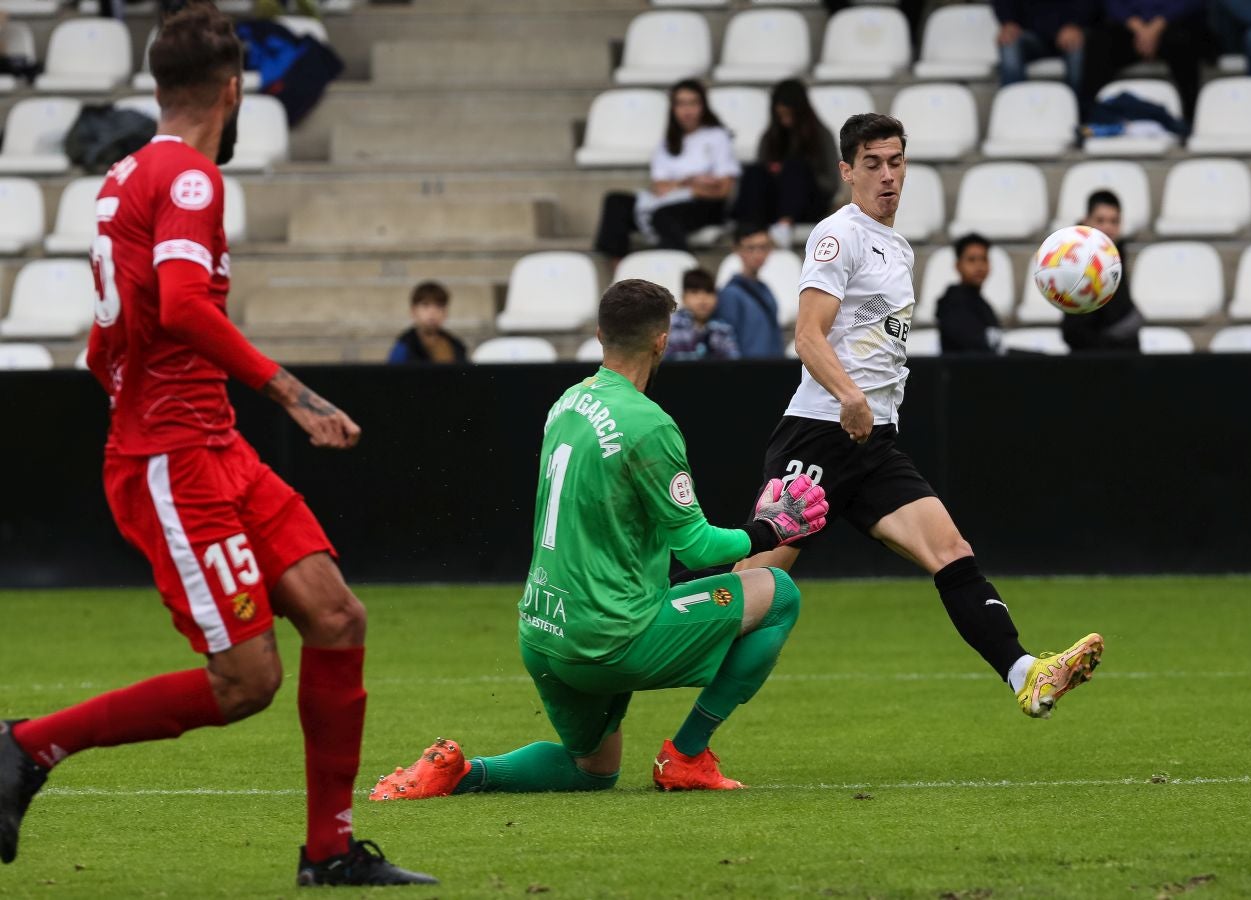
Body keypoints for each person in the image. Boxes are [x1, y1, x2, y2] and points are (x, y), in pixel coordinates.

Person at [0, 5, 434, 887]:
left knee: (336, 615)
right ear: (232, 92)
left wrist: (148, 398)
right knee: (245, 680)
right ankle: (25, 748)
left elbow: (104, 343)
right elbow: (183, 306)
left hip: (208, 444)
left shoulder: (122, 176)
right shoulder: (193, 180)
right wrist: (293, 395)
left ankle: (330, 851)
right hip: (176, 459)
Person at [367, 279, 828, 799]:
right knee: (780, 595)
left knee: (594, 772)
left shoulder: (566, 403)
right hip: (609, 639)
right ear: (662, 340)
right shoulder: (650, 425)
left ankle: (461, 773)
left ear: (599, 335)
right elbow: (698, 549)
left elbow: (606, 519)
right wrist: (767, 529)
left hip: (542, 632)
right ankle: (687, 756)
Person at [737, 113, 1104, 719]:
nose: (887, 176)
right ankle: (649, 647)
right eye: (874, 164)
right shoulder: (838, 235)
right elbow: (807, 336)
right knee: (753, 589)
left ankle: (1026, 674)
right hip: (822, 433)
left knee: (951, 550)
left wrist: (867, 409)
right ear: (847, 170)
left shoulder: (897, 247)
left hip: (872, 443)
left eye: (897, 162)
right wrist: (851, 396)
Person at [592, 80, 739, 258]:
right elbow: (659, 187)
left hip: (705, 206)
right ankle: (618, 269)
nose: (687, 110)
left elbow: (723, 190)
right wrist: (691, 182)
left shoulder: (717, 136)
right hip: (670, 202)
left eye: (693, 103)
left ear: (703, 106)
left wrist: (686, 188)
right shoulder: (666, 143)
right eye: (681, 104)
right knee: (615, 202)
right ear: (673, 108)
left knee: (664, 217)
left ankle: (679, 267)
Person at [732, 80, 840, 250]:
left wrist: (799, 175)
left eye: (789, 115)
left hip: (810, 203)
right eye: (781, 116)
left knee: (795, 167)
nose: (785, 121)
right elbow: (762, 173)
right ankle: (749, 231)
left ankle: (783, 227)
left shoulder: (821, 136)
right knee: (753, 172)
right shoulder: (769, 137)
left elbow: (832, 184)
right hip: (775, 201)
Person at [1081, 0, 1210, 126]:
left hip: (1174, 24)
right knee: (1099, 43)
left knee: (1184, 44)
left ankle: (1190, 121)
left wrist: (1157, 26)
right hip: (1128, 27)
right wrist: (1138, 28)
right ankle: (1089, 119)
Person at [1063, 190, 1143, 353]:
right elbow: (1073, 330)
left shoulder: (1117, 253)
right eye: (1100, 220)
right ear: (1087, 221)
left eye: (1114, 221)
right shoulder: (1076, 260)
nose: (1108, 227)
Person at [993, 0, 1101, 98]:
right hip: (1029, 33)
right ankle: (1014, 107)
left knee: (1078, 46)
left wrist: (1075, 24)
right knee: (1008, 42)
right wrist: (1008, 21)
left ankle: (1078, 111)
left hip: (1072, 32)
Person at [715, 223, 786, 359]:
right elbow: (725, 344)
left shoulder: (766, 289)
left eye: (764, 247)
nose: (758, 254)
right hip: (747, 372)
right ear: (737, 249)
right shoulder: (730, 294)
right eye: (750, 248)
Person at [935, 233, 1004, 355]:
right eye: (971, 260)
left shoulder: (985, 306)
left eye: (984, 259)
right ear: (958, 266)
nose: (979, 266)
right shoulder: (951, 303)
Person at [387, 280, 468, 365]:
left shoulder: (456, 346)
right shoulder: (404, 347)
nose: (432, 312)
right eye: (425, 305)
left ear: (445, 312)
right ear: (413, 312)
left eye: (439, 306)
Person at [667, 269, 740, 361]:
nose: (702, 299)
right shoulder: (671, 327)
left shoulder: (723, 330)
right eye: (695, 292)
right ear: (684, 298)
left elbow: (734, 364)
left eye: (708, 292)